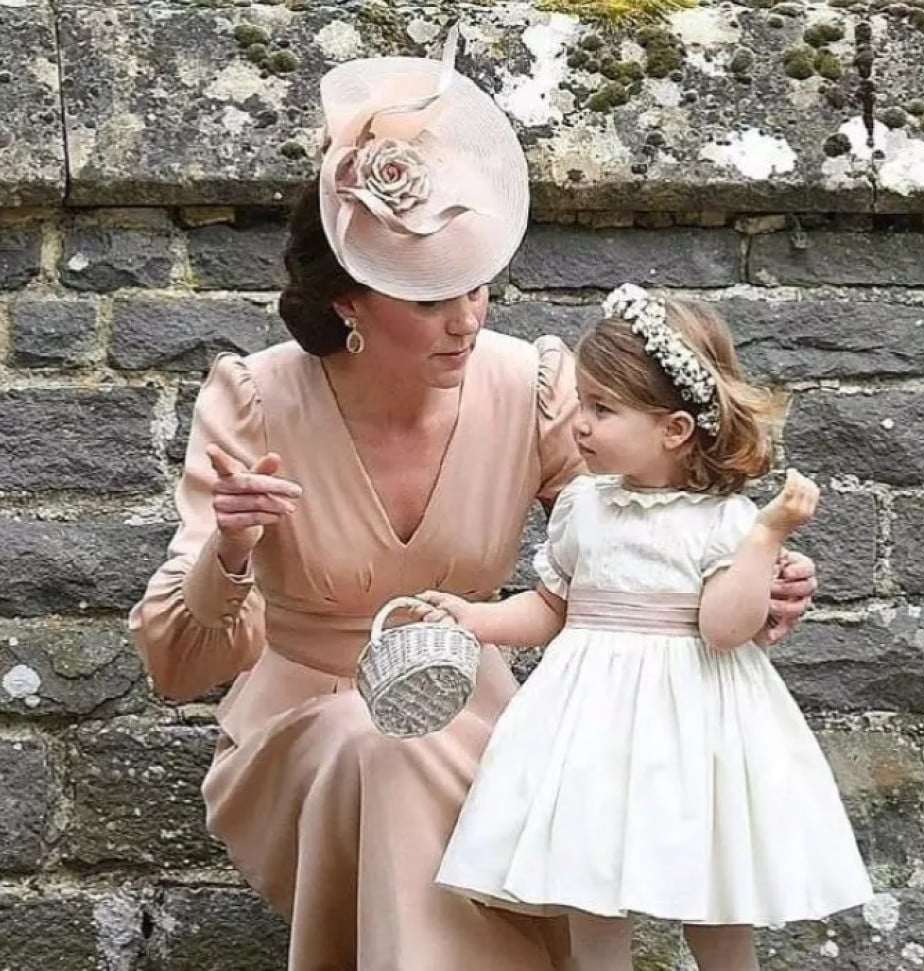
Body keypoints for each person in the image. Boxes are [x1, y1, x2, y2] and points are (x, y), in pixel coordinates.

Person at [128, 31, 819, 971]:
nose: (467, 320)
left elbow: (637, 533)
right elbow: (178, 658)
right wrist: (232, 551)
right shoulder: (255, 397)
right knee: (380, 745)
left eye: (478, 288)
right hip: (304, 729)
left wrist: (751, 571)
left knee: (441, 757)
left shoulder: (531, 384)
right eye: (430, 300)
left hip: (483, 715)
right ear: (349, 302)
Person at [416, 284, 873, 971]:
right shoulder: (584, 506)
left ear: (674, 429)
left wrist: (767, 535)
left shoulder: (725, 521)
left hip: (696, 732)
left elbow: (725, 627)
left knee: (715, 897)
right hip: (591, 732)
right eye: (581, 403)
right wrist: (475, 618)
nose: (580, 425)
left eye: (602, 409)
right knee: (589, 889)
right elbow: (552, 607)